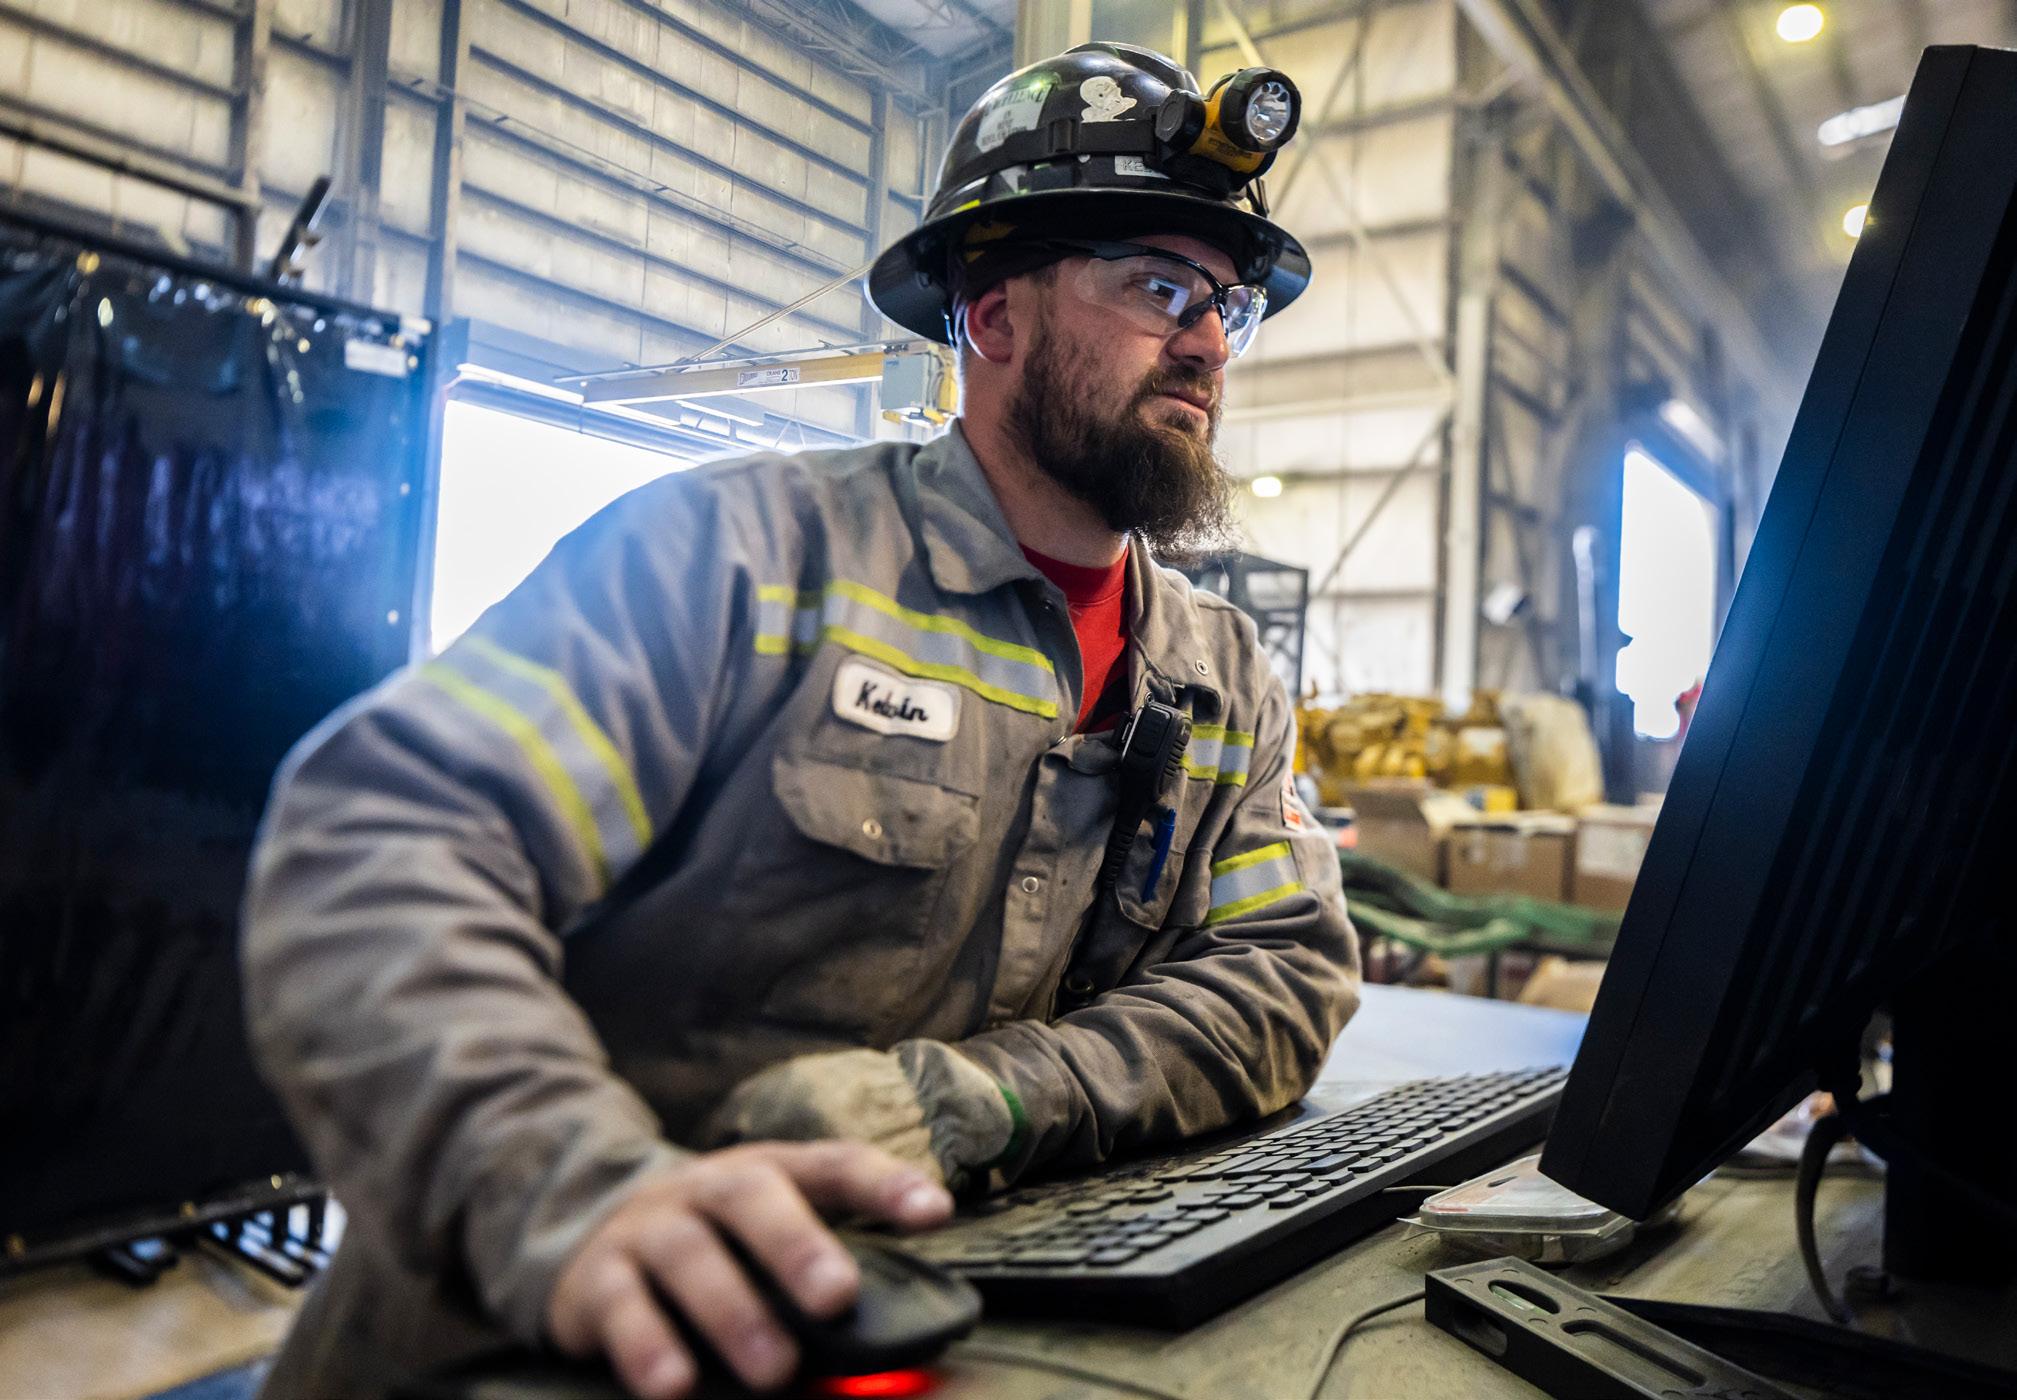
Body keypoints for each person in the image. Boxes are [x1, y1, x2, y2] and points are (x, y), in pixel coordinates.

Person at [242, 41, 1359, 1400]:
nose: (1208, 345)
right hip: (552, 1347)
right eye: (1159, 287)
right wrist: (566, 1183)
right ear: (994, 318)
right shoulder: (745, 560)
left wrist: (989, 1103)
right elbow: (379, 844)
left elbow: (1284, 969)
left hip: (930, 1319)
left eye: (1227, 307)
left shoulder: (1222, 677)